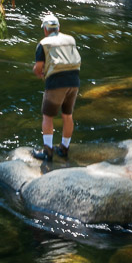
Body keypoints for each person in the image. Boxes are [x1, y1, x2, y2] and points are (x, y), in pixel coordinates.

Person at [32, 13, 81, 161]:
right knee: (67, 115)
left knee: (48, 116)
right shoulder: (71, 39)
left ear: (45, 30)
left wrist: (37, 71)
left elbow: (38, 68)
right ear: (59, 27)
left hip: (56, 83)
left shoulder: (43, 43)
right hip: (74, 81)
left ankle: (47, 152)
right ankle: (64, 149)